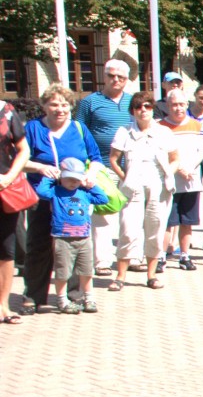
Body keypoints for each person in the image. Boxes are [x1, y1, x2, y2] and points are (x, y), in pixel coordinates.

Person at [20, 86, 102, 313]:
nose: (59, 109)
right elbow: (19, 160)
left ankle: (73, 295)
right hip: (43, 196)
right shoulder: (33, 128)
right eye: (54, 104)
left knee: (74, 245)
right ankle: (33, 296)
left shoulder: (79, 128)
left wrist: (90, 175)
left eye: (64, 105)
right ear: (44, 106)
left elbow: (95, 159)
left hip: (74, 198)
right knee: (39, 246)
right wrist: (40, 167)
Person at [109, 91, 177, 290]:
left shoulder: (163, 132)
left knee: (155, 230)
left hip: (158, 185)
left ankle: (151, 275)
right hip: (133, 185)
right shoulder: (124, 131)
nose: (143, 111)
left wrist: (168, 175)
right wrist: (125, 177)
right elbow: (114, 159)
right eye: (138, 107)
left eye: (147, 106)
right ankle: (120, 276)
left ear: (152, 108)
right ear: (133, 111)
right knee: (128, 230)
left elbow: (175, 158)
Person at [76, 58, 135, 273]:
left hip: (130, 166)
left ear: (127, 79)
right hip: (101, 165)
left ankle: (131, 256)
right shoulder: (90, 102)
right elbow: (80, 132)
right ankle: (102, 261)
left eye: (120, 76)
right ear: (104, 76)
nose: (116, 79)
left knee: (131, 214)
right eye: (111, 75)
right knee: (103, 213)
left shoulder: (133, 102)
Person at [36, 157, 108, 313]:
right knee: (63, 271)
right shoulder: (55, 192)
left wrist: (91, 185)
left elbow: (103, 199)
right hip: (63, 238)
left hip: (84, 238)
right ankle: (62, 300)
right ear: (61, 177)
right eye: (69, 179)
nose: (73, 183)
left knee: (87, 271)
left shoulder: (83, 192)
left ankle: (89, 298)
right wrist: (50, 177)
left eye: (76, 179)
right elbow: (41, 191)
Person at [161, 89, 203, 270]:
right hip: (170, 182)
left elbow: (201, 151)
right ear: (167, 106)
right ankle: (161, 257)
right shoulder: (161, 126)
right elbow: (161, 153)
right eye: (174, 105)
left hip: (191, 181)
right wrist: (179, 168)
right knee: (168, 222)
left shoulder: (196, 125)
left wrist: (189, 168)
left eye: (181, 104)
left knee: (187, 222)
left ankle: (185, 256)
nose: (178, 108)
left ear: (186, 105)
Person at [0, 95, 30, 323]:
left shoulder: (6, 111)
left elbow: (23, 149)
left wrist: (10, 176)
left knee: (6, 250)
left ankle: (4, 305)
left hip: (4, 190)